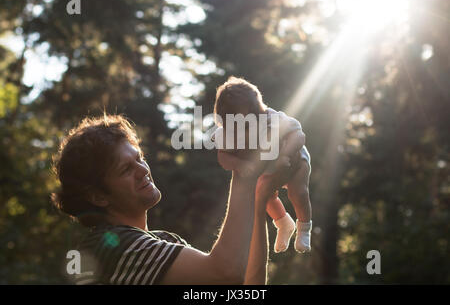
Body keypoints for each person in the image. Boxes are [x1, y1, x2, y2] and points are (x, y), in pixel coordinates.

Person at [51, 114, 293, 284]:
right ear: (98, 196)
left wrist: (257, 200)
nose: (143, 169)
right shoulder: (114, 246)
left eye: (140, 158)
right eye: (126, 169)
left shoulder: (161, 243)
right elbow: (225, 273)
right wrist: (244, 170)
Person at [213, 77, 312, 253]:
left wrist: (285, 155)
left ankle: (304, 228)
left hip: (295, 163)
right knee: (263, 194)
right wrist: (240, 163)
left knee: (298, 193)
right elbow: (223, 157)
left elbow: (299, 136)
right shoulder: (228, 133)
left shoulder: (273, 119)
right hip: (269, 169)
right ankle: (283, 224)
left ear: (257, 111)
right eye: (234, 123)